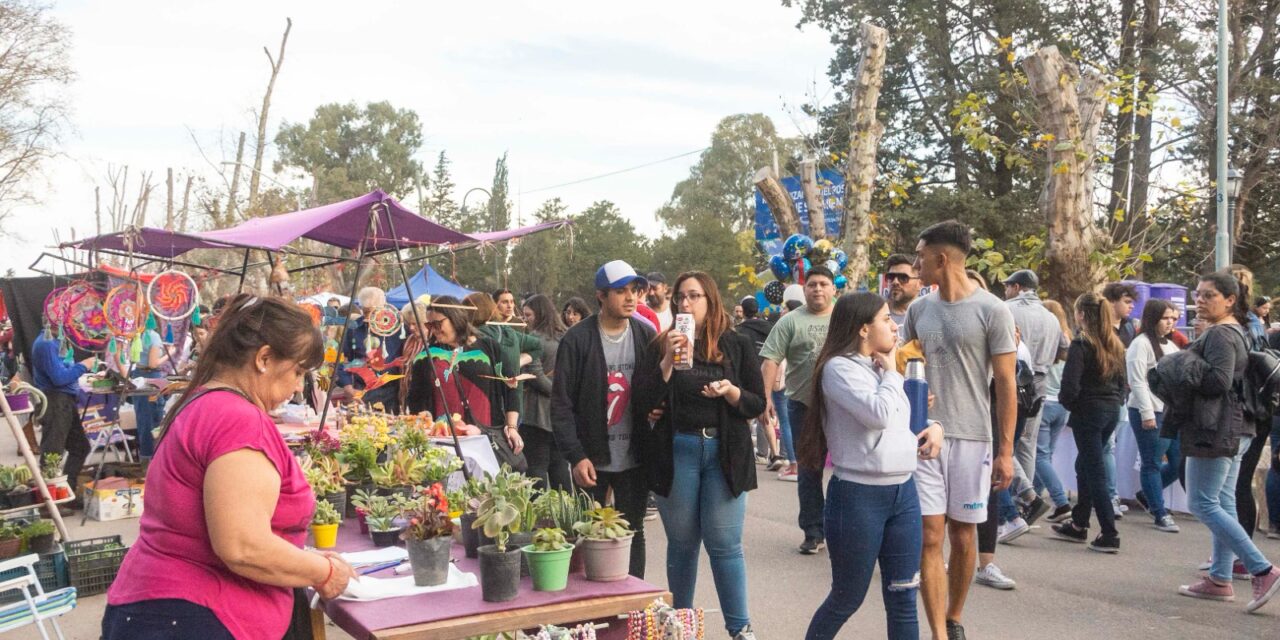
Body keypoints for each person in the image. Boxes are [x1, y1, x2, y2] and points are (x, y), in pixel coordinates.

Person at [103, 295, 354, 639]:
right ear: (264, 358)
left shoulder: (204, 403)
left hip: (164, 607)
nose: (298, 386)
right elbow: (243, 546)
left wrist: (302, 557)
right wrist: (323, 571)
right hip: (197, 616)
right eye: (297, 371)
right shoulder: (237, 418)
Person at [799, 292, 944, 640]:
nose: (894, 326)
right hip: (858, 495)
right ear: (864, 329)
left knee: (903, 595)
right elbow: (877, 415)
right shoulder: (838, 368)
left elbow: (903, 421)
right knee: (847, 597)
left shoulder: (883, 368)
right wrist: (893, 373)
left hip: (904, 491)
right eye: (884, 319)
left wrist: (936, 428)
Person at [634, 272, 765, 640]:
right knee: (682, 544)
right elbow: (642, 401)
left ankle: (740, 629)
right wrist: (666, 362)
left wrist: (731, 392)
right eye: (680, 298)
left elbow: (757, 402)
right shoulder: (663, 342)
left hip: (723, 452)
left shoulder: (735, 344)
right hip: (679, 449)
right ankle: (680, 627)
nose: (685, 304)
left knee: (725, 545)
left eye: (694, 297)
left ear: (711, 300)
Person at [905, 221, 1017, 640]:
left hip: (974, 437)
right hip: (925, 438)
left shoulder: (993, 310)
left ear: (941, 257)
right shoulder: (919, 310)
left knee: (963, 534)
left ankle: (953, 616)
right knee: (929, 534)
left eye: (919, 255)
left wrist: (1005, 451)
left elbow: (1005, 383)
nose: (916, 263)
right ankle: (937, 632)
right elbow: (905, 364)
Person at [1174, 271, 1280, 612]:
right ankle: (1219, 579)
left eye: (1208, 296)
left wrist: (1181, 366)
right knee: (1223, 500)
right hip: (1237, 426)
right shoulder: (1238, 330)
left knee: (1202, 503)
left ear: (1230, 300)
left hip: (1216, 428)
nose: (1199, 300)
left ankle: (1262, 568)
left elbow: (1219, 381)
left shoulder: (1221, 333)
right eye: (1198, 294)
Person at [552, 260, 658, 578]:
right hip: (592, 458)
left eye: (634, 290)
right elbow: (561, 405)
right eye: (620, 291)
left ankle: (633, 602)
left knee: (632, 531)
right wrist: (576, 456)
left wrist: (658, 406)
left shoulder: (646, 333)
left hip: (634, 457)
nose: (630, 298)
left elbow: (655, 388)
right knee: (588, 532)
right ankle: (590, 608)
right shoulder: (577, 340)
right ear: (601, 295)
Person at [760, 266, 837, 555]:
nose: (818, 289)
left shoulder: (845, 318)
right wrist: (765, 398)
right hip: (803, 407)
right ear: (804, 290)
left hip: (843, 408)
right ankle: (813, 532)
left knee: (847, 472)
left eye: (823, 284)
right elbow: (769, 360)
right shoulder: (790, 321)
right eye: (812, 284)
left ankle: (841, 529)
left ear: (834, 289)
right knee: (809, 470)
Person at [1051, 292, 1126, 553]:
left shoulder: (1082, 344)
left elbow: (1069, 384)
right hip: (1110, 410)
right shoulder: (1114, 344)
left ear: (1081, 314)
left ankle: (1109, 532)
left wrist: (1071, 404)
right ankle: (1080, 522)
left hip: (1088, 411)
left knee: (1093, 470)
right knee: (1085, 464)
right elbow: (1121, 383)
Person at [404, 296, 523, 454]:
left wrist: (512, 427)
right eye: (429, 325)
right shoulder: (427, 356)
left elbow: (511, 386)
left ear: (455, 318)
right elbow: (415, 400)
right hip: (445, 442)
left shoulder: (488, 347)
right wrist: (424, 419)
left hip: (485, 437)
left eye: (438, 324)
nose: (434, 330)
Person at [1001, 269, 1065, 526]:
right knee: (1027, 444)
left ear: (1017, 287)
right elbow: (1064, 350)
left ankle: (1024, 497)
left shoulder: (1005, 309)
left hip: (1011, 379)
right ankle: (1024, 501)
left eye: (1007, 286)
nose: (1005, 290)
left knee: (1002, 440)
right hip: (1040, 384)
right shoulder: (1052, 318)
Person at [1126, 299, 1183, 533]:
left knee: (1179, 462)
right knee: (1152, 462)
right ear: (1153, 318)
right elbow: (1137, 381)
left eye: (1173, 318)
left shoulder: (1171, 345)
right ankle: (1159, 512)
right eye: (1166, 318)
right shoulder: (1140, 344)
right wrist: (1146, 412)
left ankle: (1148, 495)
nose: (1170, 323)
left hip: (1169, 411)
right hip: (1148, 410)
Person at [1229, 265, 1271, 545]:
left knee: (1236, 484)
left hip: (1246, 409)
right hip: (1258, 408)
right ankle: (1239, 549)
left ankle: (1242, 550)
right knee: (1238, 482)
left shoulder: (1242, 325)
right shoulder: (1255, 324)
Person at [31, 326, 94, 513]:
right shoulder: (46, 343)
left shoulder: (59, 341)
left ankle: (66, 494)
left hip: (65, 400)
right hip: (55, 400)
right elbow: (59, 378)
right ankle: (49, 504)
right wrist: (84, 366)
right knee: (52, 452)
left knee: (80, 447)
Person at [520, 294, 570, 490]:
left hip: (537, 412)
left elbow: (535, 374)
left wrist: (556, 392)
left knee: (537, 467)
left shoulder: (533, 339)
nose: (525, 320)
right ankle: (566, 512)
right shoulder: (566, 336)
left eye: (528, 315)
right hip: (561, 413)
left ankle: (539, 515)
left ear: (539, 314)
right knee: (559, 466)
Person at [1101, 282, 1139, 516]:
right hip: (1102, 394)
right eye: (1126, 301)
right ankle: (1109, 496)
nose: (1131, 306)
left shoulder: (1130, 329)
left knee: (1107, 447)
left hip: (1120, 394)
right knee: (1105, 447)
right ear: (1111, 302)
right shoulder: (1097, 328)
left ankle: (1108, 495)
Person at [1036, 299, 1075, 523]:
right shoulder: (1066, 340)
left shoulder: (1044, 340)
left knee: (1039, 456)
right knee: (1046, 455)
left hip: (1045, 401)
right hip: (1061, 405)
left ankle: (1060, 502)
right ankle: (1035, 498)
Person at [337, 287, 404, 413]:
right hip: (361, 391)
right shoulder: (353, 328)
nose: (367, 316)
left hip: (391, 394)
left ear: (382, 308)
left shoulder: (398, 329)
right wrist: (347, 386)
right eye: (365, 311)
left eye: (371, 312)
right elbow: (344, 360)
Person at [737, 298, 783, 469]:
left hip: (744, 377)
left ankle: (743, 454)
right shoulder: (770, 329)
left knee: (743, 417)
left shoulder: (739, 331)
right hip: (765, 375)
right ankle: (776, 454)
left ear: (743, 310)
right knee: (764, 417)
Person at [885, 253, 922, 331]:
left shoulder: (930, 316)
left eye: (903, 278)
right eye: (891, 277)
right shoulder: (875, 315)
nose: (895, 282)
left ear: (920, 283)